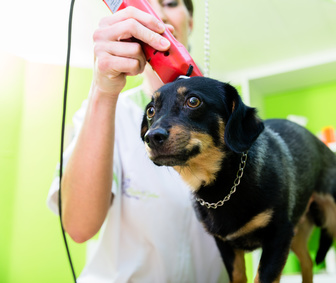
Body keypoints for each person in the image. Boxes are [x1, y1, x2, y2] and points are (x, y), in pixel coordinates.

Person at [46, 0, 228, 282]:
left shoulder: (228, 117)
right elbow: (79, 228)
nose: (158, 14)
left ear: (190, 22)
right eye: (147, 4)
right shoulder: (110, 112)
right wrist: (103, 92)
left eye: (170, 2)